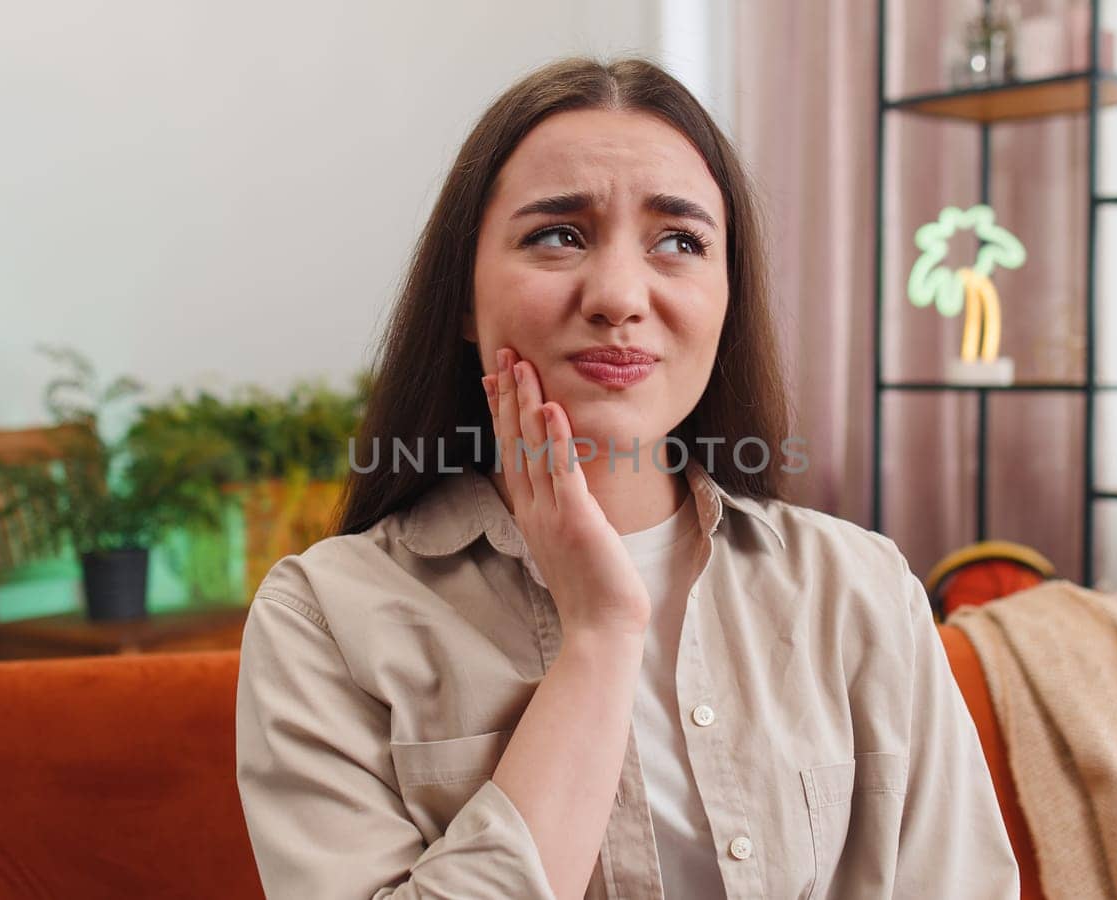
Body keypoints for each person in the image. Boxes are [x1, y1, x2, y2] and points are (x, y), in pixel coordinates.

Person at [234, 56, 1019, 900]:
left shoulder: (859, 589)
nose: (617, 295)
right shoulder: (322, 620)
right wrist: (601, 639)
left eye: (679, 242)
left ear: (727, 297)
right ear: (462, 298)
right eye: (558, 235)